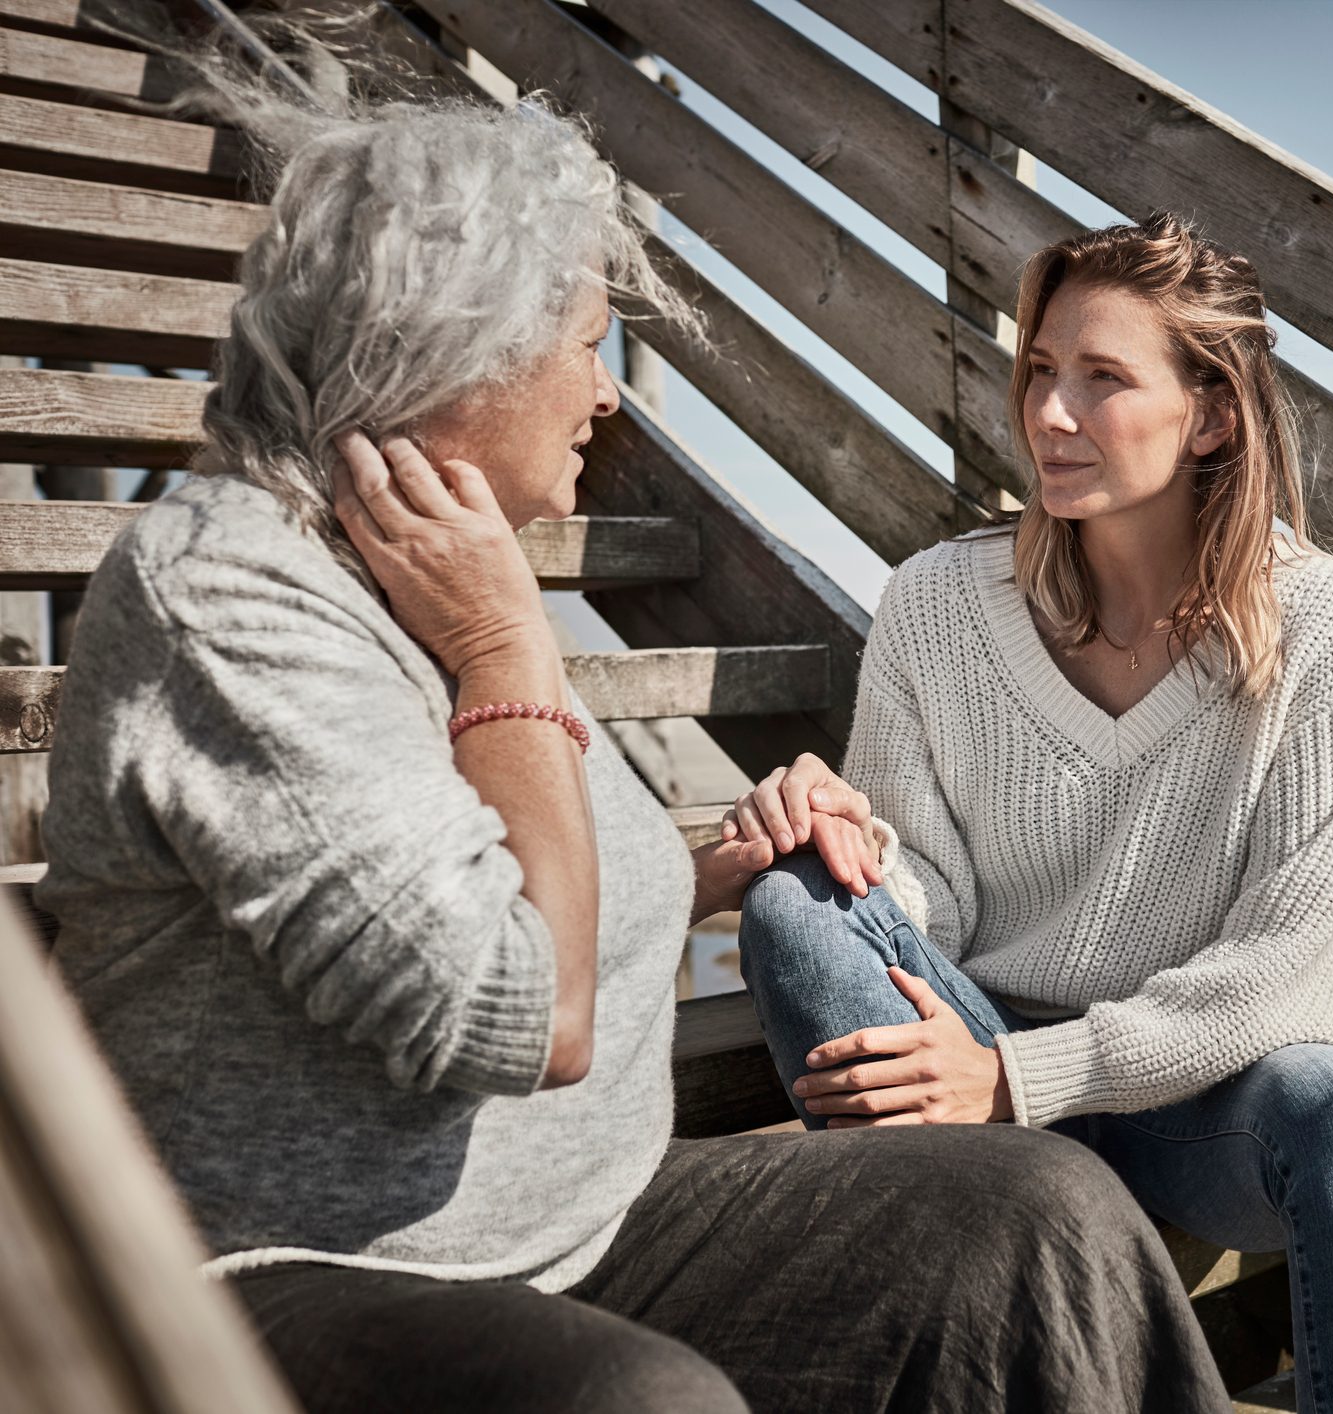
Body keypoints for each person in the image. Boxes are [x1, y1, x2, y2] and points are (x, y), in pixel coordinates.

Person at [35, 55, 1224, 1414]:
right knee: (637, 1403)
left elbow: (509, 858)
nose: (606, 397)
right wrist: (506, 650)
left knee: (1039, 1218)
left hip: (578, 1240)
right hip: (282, 1280)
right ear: (455, 352)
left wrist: (716, 865)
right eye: (583, 346)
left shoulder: (433, 559)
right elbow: (518, 1010)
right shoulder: (236, 598)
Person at [733, 215, 1333, 1413]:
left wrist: (1023, 1075)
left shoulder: (1322, 624)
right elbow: (930, 902)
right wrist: (842, 838)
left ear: (1212, 413)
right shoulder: (937, 602)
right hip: (969, 1069)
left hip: (1191, 1106)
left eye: (1103, 378)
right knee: (794, 905)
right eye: (1039, 373)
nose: (1050, 414)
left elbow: (1301, 976)